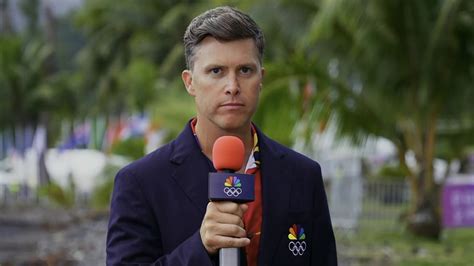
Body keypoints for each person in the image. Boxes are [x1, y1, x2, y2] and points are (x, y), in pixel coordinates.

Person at [106, 6, 337, 266]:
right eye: (216, 71)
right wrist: (200, 246)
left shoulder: (303, 176)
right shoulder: (140, 183)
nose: (232, 87)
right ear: (190, 82)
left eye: (245, 70)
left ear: (261, 78)